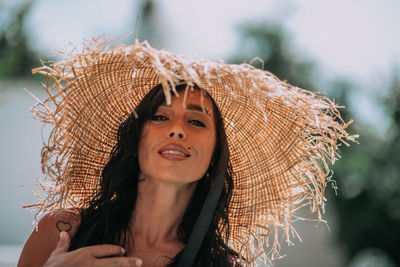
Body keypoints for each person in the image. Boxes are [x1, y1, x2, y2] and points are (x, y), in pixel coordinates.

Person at [18, 37, 356, 267]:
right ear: (136, 141)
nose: (177, 129)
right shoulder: (60, 232)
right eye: (161, 117)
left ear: (215, 155)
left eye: (196, 122)